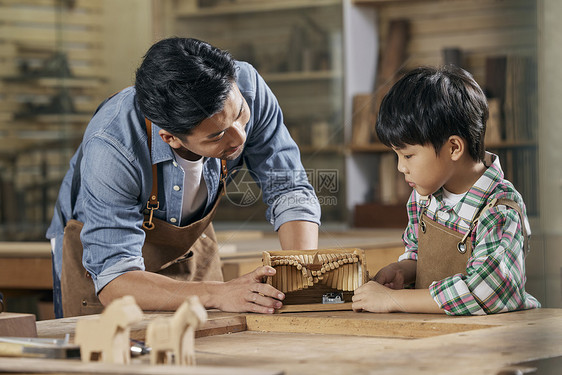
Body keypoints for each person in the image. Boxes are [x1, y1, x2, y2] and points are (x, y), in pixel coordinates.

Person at [47, 37, 321, 318]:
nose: (240, 136)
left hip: (189, 247)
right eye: (217, 134)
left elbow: (289, 188)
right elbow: (114, 277)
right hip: (105, 267)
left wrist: (301, 274)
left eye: (240, 114)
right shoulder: (113, 147)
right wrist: (219, 293)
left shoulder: (246, 87)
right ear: (171, 138)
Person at [352, 65, 540, 315]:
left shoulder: (500, 209)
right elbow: (419, 254)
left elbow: (484, 292)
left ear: (453, 148)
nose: (400, 167)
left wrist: (392, 301)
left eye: (408, 155)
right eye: (396, 155)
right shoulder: (424, 195)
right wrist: (402, 270)